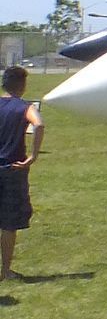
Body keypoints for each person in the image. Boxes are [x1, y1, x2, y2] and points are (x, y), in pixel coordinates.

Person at [1, 64, 45, 280]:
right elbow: (39, 125)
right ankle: (5, 270)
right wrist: (33, 156)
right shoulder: (25, 107)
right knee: (8, 224)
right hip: (13, 170)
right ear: (23, 85)